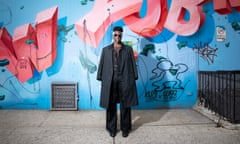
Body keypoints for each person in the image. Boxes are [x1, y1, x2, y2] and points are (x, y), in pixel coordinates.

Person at [97, 26, 138, 138]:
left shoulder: (128, 49)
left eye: (119, 35)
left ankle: (125, 128)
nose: (117, 37)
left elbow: (133, 65)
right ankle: (112, 128)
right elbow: (101, 64)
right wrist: (100, 77)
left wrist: (134, 76)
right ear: (113, 35)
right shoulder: (106, 50)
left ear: (122, 35)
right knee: (111, 105)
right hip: (111, 81)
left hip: (124, 80)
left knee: (126, 105)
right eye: (115, 35)